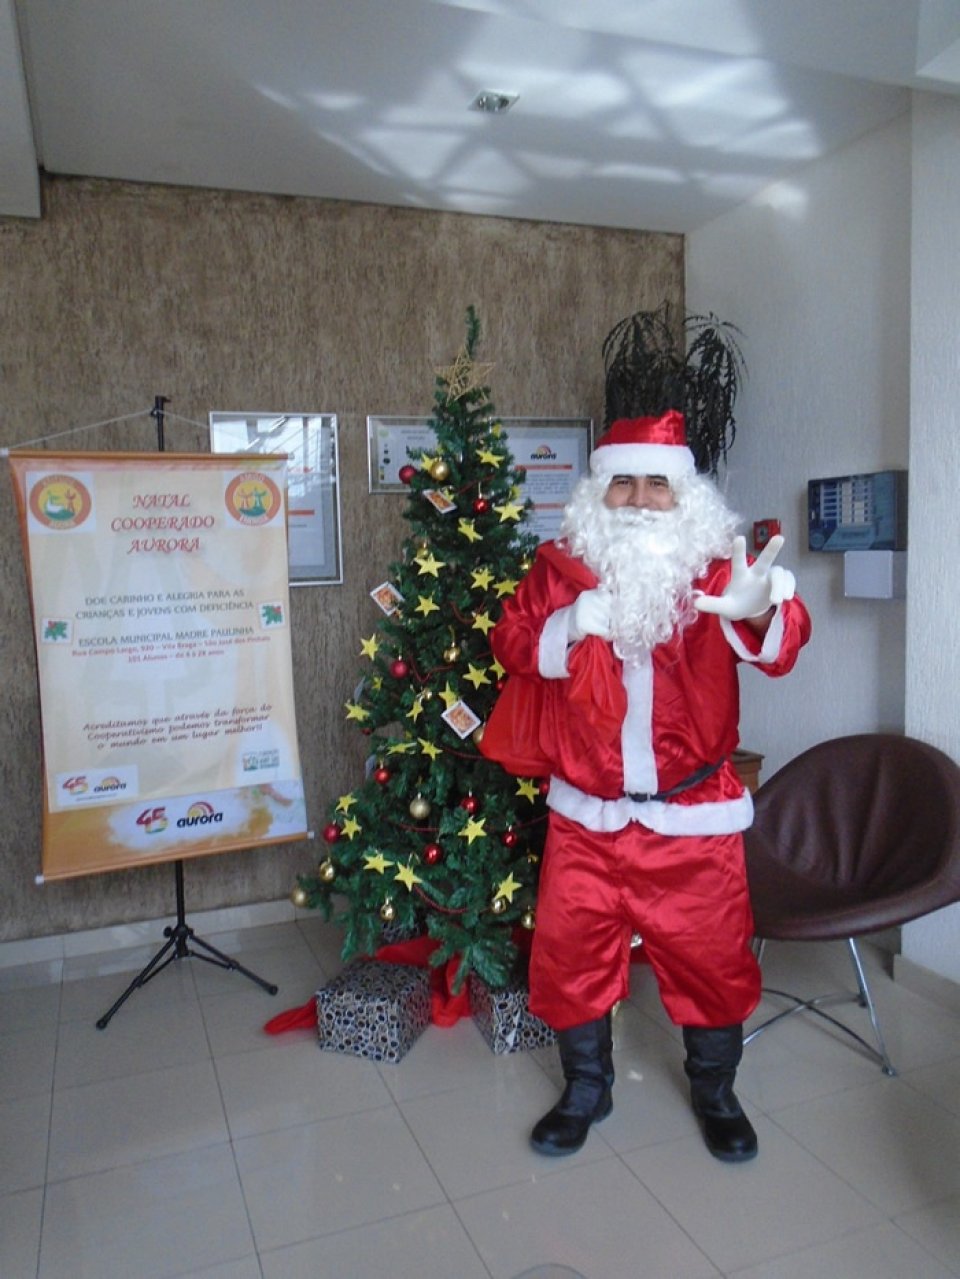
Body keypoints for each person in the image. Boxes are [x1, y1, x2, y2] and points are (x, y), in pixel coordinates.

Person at [484, 411, 811, 1162]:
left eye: (655, 484)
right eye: (621, 481)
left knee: (712, 962)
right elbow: (511, 641)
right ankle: (585, 1089)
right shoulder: (559, 566)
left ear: (683, 494)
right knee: (570, 960)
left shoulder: (717, 569)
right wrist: (567, 623)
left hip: (692, 817)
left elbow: (781, 647)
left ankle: (716, 1094)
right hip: (585, 819)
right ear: (598, 491)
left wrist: (763, 606)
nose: (636, 499)